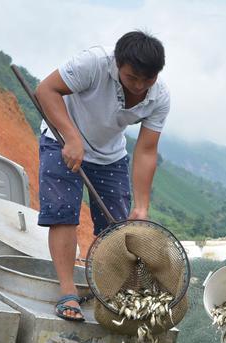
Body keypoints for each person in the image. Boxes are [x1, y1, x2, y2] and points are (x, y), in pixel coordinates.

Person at [35, 31, 169, 321]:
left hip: (110, 154)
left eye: (148, 80)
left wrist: (142, 205)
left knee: (115, 227)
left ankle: (107, 290)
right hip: (62, 139)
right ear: (117, 63)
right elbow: (46, 90)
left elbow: (146, 151)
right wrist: (71, 138)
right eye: (132, 77)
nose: (139, 86)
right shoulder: (94, 63)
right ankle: (68, 291)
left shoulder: (160, 97)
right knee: (63, 212)